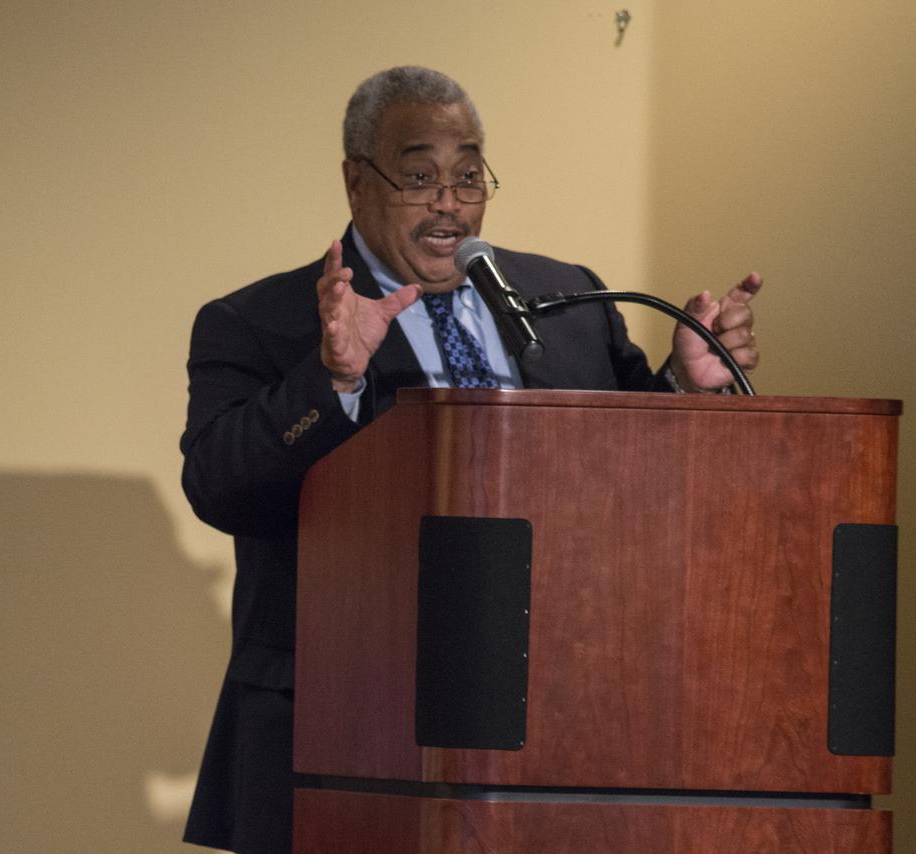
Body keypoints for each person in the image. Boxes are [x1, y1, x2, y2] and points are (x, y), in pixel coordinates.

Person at [180, 66, 761, 854]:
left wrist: (686, 385)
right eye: (420, 177)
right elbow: (219, 489)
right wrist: (333, 379)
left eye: (468, 176)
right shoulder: (261, 321)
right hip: (343, 728)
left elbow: (633, 480)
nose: (449, 203)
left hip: (563, 719)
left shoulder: (568, 299)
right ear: (357, 182)